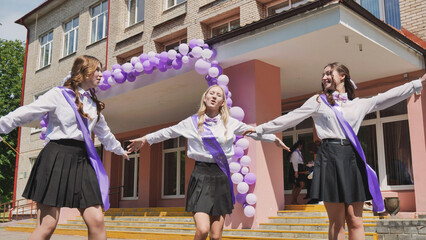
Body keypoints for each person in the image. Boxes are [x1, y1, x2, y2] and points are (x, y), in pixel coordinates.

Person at [244, 63, 425, 240]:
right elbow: (291, 118)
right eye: (323, 75)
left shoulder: (358, 104)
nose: (324, 77)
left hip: (352, 159)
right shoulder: (317, 101)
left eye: (329, 73)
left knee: (355, 220)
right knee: (336, 222)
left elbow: (386, 97)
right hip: (329, 157)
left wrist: (416, 83)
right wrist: (260, 129)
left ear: (342, 76)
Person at [127, 85, 289, 240]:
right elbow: (168, 132)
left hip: (221, 176)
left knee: (216, 236)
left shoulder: (230, 123)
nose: (214, 96)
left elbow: (253, 131)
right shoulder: (191, 122)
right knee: (202, 229)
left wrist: (273, 138)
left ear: (222, 102)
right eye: (211, 93)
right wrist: (145, 139)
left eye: (219, 95)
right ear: (204, 98)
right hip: (201, 176)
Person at [0, 55, 130, 240]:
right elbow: (27, 112)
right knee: (48, 224)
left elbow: (105, 134)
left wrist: (119, 150)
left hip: (82, 160)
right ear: (84, 72)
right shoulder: (58, 94)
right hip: (56, 157)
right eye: (97, 69)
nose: (101, 74)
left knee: (97, 220)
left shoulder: (93, 104)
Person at [288, 140, 306, 204]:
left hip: (299, 168)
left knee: (299, 185)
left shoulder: (298, 152)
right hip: (296, 169)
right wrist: (296, 172)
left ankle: (294, 200)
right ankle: (293, 201)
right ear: (300, 145)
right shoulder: (295, 152)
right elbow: (294, 162)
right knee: (297, 185)